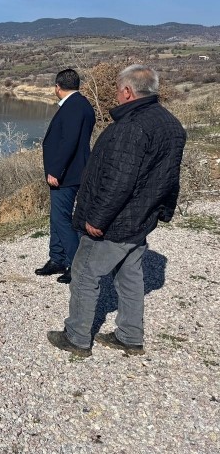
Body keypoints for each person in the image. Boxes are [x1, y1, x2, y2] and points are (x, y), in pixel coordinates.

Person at [47, 65, 186, 357]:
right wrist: (164, 210)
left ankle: (77, 337)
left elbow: (118, 181)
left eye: (117, 90)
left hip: (116, 220)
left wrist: (97, 219)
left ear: (127, 91)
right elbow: (170, 176)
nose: (116, 95)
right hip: (142, 217)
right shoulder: (171, 124)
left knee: (84, 273)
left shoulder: (131, 127)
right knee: (130, 275)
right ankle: (130, 336)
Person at [36, 69, 96, 284]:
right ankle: (57, 258)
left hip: (67, 174)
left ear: (57, 87)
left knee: (61, 219)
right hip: (74, 170)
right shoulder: (83, 104)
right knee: (57, 217)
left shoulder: (73, 107)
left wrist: (56, 170)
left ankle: (75, 264)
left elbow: (69, 141)